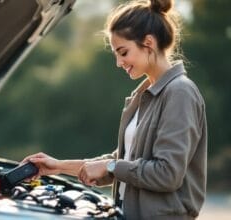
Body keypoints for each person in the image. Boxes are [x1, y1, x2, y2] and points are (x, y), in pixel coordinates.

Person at [22, 0, 207, 219]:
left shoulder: (180, 93)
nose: (119, 62)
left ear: (148, 42)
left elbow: (167, 174)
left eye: (123, 52)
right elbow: (124, 161)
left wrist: (110, 166)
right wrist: (58, 166)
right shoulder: (144, 96)